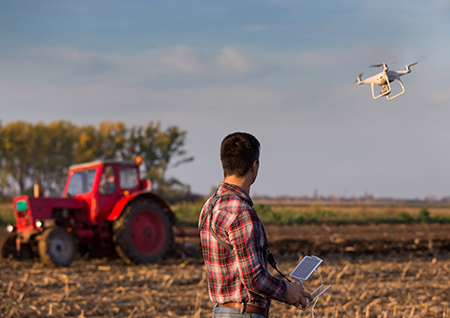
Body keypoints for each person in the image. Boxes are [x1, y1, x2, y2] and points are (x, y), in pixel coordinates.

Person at [199, 132, 312, 318]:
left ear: (224, 164)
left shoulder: (209, 206)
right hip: (244, 314)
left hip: (221, 312)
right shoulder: (241, 212)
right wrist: (286, 290)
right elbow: (254, 279)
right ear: (254, 166)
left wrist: (286, 292)